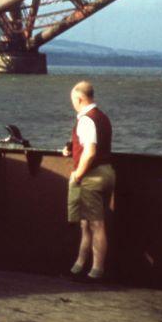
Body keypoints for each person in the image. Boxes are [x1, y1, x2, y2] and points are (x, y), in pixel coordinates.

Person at [61, 80, 115, 282]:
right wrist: (71, 150)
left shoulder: (86, 120)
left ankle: (97, 272)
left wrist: (78, 175)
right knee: (86, 223)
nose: (73, 103)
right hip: (107, 172)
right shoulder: (103, 117)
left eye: (73, 100)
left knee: (96, 224)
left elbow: (90, 152)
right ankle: (79, 265)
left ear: (80, 98)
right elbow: (93, 147)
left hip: (91, 176)